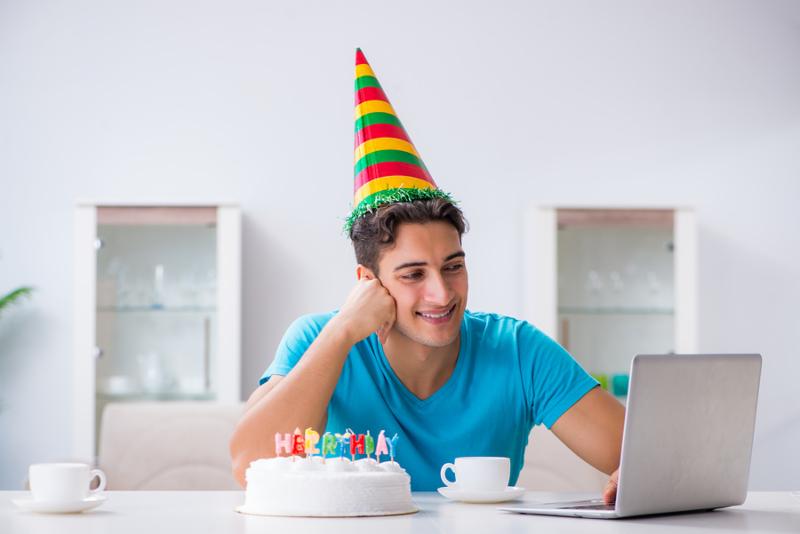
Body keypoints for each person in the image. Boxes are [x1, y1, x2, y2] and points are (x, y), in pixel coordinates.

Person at [229, 49, 624, 500]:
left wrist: (634, 472)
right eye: (414, 274)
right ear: (368, 282)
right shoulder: (318, 339)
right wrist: (341, 333)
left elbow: (641, 457)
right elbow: (248, 468)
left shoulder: (517, 350)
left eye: (453, 266)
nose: (442, 293)